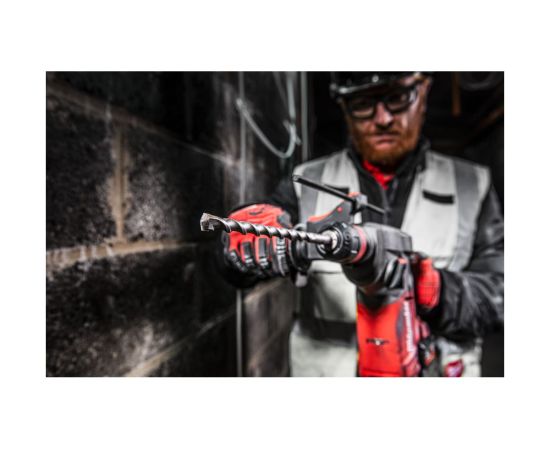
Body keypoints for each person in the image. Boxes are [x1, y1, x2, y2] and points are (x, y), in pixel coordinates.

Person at [220, 72, 504, 377]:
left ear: (423, 92)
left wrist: (439, 292)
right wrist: (243, 241)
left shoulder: (471, 184)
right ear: (344, 107)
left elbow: (502, 297)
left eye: (397, 98)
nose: (382, 119)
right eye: (363, 104)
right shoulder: (307, 182)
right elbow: (235, 270)